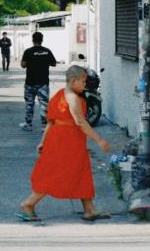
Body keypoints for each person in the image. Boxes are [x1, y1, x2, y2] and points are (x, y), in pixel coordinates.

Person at [16, 66, 112, 222]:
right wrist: (99, 140)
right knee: (57, 173)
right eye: (83, 82)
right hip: (68, 141)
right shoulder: (72, 98)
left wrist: (43, 141)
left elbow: (51, 122)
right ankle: (28, 204)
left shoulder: (59, 95)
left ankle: (89, 209)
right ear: (73, 80)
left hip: (59, 138)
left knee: (81, 171)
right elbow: (80, 121)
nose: (84, 85)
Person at [19, 31, 57, 131]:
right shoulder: (47, 51)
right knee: (44, 104)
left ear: (33, 40)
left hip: (30, 83)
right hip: (43, 83)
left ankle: (28, 124)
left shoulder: (28, 51)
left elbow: (23, 65)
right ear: (42, 40)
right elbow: (54, 63)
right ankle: (45, 126)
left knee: (29, 104)